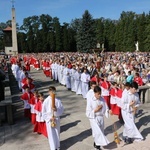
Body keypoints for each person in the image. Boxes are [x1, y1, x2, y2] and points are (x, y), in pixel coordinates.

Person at [86, 86, 110, 150]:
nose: (99, 95)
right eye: (98, 94)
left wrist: (108, 111)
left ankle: (97, 144)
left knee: (101, 131)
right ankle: (97, 146)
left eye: (100, 93)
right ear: (94, 93)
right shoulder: (91, 100)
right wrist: (95, 110)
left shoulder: (102, 99)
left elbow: (106, 108)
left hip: (101, 117)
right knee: (97, 132)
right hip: (94, 118)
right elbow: (88, 112)